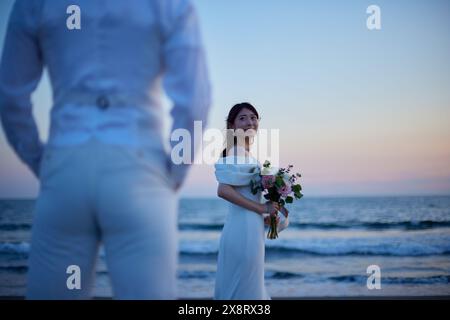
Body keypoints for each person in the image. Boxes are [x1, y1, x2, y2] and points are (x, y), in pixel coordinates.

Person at [0, 0, 210, 299]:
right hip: (139, 168)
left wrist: (42, 162)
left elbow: (10, 97)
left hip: (65, 167)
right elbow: (194, 102)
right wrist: (174, 171)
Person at [214, 103, 288, 300]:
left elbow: (246, 193)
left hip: (250, 228)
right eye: (243, 118)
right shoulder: (235, 153)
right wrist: (261, 207)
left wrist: (268, 214)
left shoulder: (247, 155)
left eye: (253, 117)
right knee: (245, 292)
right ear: (232, 126)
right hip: (243, 231)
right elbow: (223, 190)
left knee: (245, 289)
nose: (250, 122)